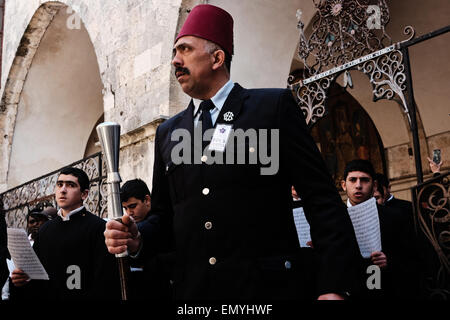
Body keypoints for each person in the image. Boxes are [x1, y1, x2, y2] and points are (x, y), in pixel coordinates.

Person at [105, 4, 361, 300]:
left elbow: (321, 201)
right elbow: (166, 217)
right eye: (174, 52)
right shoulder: (168, 132)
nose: (176, 60)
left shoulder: (271, 109)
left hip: (266, 291)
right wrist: (138, 239)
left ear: (217, 58)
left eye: (185, 50)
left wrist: (333, 285)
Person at [11, 167, 120, 300]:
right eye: (60, 184)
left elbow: (105, 281)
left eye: (71, 185)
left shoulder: (98, 228)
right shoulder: (45, 230)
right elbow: (37, 278)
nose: (63, 190)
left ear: (84, 194)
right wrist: (22, 279)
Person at [341, 159, 415, 299]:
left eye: (364, 180)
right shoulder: (334, 219)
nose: (358, 185)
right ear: (344, 185)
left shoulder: (394, 217)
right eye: (353, 180)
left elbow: (411, 258)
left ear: (374, 185)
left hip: (384, 290)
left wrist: (389, 261)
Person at [120, 178, 173, 300]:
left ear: (147, 200)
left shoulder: (161, 220)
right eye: (125, 208)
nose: (129, 212)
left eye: (133, 206)